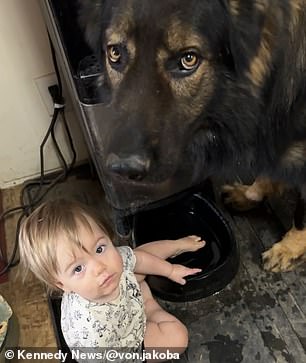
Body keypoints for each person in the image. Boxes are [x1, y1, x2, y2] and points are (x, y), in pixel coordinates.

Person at [19, 199, 205, 362]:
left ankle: (175, 246)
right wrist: (146, 310)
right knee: (178, 337)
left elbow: (138, 259)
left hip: (125, 306)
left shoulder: (108, 263)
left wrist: (170, 269)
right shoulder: (93, 335)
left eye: (99, 248)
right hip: (124, 347)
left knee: (136, 257)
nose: (100, 267)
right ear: (62, 285)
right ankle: (149, 305)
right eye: (78, 268)